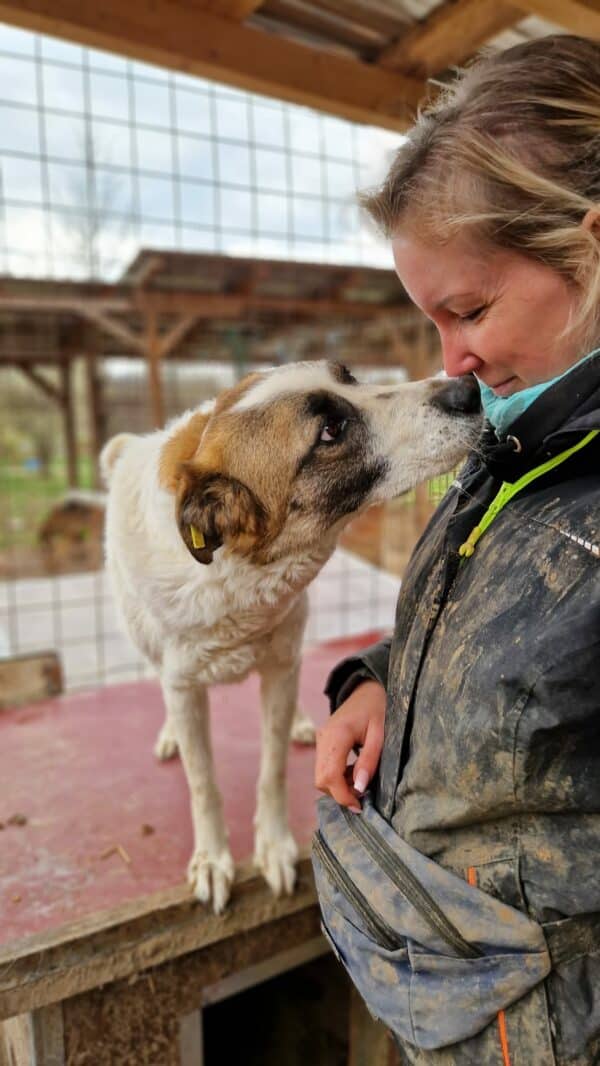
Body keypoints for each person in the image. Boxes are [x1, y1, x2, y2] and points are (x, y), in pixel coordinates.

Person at [315, 33, 600, 1066]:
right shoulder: (510, 442)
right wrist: (380, 681)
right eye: (431, 320)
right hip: (465, 995)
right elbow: (489, 621)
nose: (453, 360)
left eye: (470, 310)